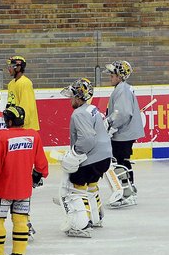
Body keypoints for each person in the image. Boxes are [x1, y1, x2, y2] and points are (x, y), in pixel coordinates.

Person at [0, 105, 48, 255]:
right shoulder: (33, 135)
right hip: (24, 189)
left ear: (10, 120)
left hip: (2, 189)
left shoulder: (1, 137)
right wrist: (39, 174)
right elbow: (41, 163)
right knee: (21, 221)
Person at [58, 78, 113, 238]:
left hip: (92, 158)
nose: (70, 100)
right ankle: (95, 218)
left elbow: (87, 139)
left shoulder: (79, 113)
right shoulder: (92, 108)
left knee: (76, 189)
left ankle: (82, 224)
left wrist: (74, 153)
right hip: (104, 157)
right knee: (91, 186)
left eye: (72, 96)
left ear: (78, 97)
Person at [104, 61, 144, 207]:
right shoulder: (122, 88)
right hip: (124, 133)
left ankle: (127, 194)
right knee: (123, 161)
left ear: (120, 76)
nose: (110, 76)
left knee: (119, 162)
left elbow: (123, 113)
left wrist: (111, 125)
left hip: (123, 133)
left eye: (113, 74)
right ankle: (129, 190)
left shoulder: (122, 90)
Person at [5, 56, 39, 131]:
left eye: (11, 66)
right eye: (8, 66)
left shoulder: (25, 83)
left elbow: (27, 107)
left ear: (18, 68)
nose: (9, 69)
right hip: (15, 126)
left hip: (26, 128)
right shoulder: (11, 84)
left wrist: (21, 123)